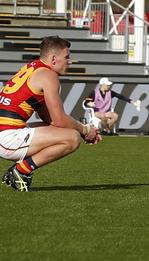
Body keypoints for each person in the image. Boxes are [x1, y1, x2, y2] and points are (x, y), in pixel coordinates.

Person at [1, 36, 101, 191]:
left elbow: (47, 117)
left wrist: (82, 130)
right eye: (67, 57)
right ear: (54, 59)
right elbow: (59, 120)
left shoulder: (33, 68)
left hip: (6, 133)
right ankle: (20, 171)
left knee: (68, 132)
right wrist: (85, 130)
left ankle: (19, 171)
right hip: (6, 138)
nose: (70, 61)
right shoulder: (49, 75)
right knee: (72, 138)